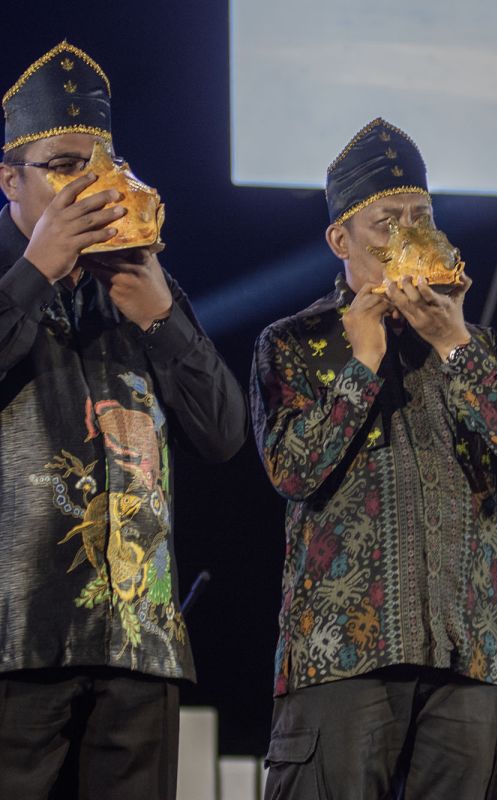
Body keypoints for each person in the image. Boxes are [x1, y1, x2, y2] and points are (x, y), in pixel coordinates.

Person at [250, 117, 497, 800]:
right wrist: (361, 365)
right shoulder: (295, 343)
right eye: (388, 222)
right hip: (342, 665)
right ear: (340, 240)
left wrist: (454, 340)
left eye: (423, 218)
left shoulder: (477, 347)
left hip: (465, 660)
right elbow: (291, 471)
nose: (410, 237)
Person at [0, 41, 247, 799]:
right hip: (16, 639)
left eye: (100, 164)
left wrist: (165, 317)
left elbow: (224, 432)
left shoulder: (136, 277)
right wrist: (36, 271)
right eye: (65, 165)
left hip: (141, 645)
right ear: (10, 180)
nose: (91, 186)